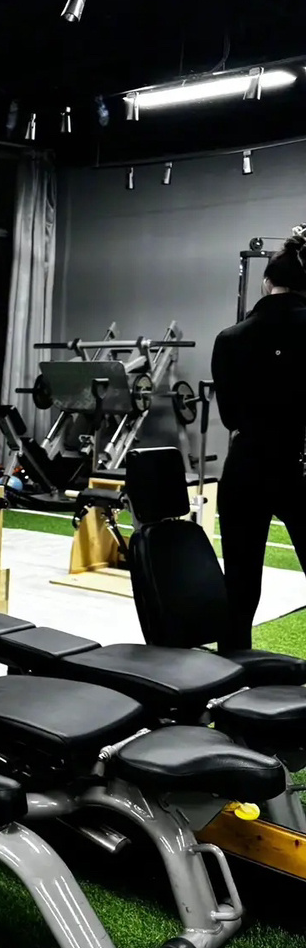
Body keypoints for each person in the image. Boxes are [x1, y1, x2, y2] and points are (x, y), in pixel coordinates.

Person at [211, 228, 306, 651]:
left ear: (267, 282)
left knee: (240, 580)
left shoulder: (230, 338)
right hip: (300, 462)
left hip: (246, 465)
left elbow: (230, 417)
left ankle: (230, 671)